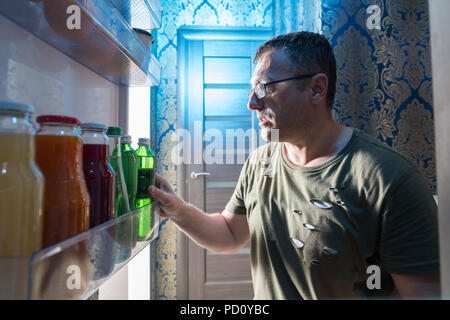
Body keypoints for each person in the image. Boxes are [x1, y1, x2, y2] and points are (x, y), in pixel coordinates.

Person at [149, 31, 440, 299]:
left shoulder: (390, 179)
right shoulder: (259, 162)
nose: (252, 103)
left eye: (265, 88)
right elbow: (230, 233)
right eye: (252, 90)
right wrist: (177, 210)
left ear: (316, 89)